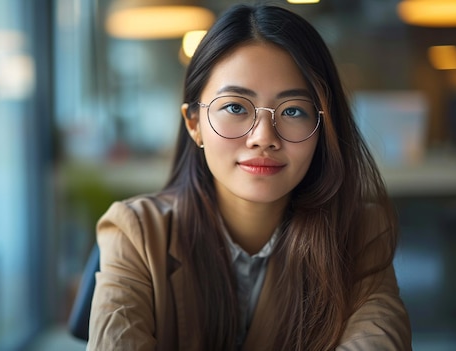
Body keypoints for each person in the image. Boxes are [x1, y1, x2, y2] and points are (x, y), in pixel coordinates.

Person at [88, 3, 411, 350]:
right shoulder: (136, 233)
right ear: (194, 123)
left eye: (293, 111)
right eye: (236, 107)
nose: (263, 136)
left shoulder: (360, 230)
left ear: (322, 128)